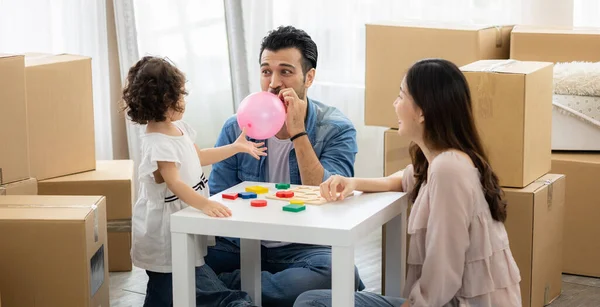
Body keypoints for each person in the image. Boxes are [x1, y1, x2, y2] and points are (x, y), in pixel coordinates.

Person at [294, 59, 522, 307]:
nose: (395, 104)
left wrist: (414, 304)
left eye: (401, 96)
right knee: (312, 298)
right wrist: (352, 182)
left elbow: (445, 269)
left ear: (422, 111)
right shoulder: (442, 162)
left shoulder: (449, 170)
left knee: (312, 302)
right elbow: (404, 179)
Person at [206, 26, 364, 307]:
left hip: (304, 246)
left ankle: (225, 291)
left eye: (286, 72)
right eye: (266, 71)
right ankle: (247, 291)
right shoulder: (237, 127)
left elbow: (328, 194)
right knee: (173, 262)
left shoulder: (336, 129)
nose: (273, 83)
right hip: (241, 243)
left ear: (309, 77)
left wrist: (298, 132)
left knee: (339, 274)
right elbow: (218, 195)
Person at [123, 56, 266, 307]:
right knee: (168, 283)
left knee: (169, 286)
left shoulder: (180, 129)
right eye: (180, 95)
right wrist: (204, 204)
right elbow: (174, 183)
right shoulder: (158, 142)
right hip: (166, 231)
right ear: (166, 100)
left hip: (184, 218)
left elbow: (197, 157)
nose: (184, 100)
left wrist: (235, 147)